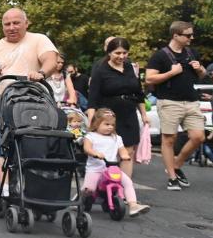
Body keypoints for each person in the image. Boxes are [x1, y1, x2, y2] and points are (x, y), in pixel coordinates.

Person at [0, 8, 59, 197]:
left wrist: (41, 73)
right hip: (2, 106)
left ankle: (37, 186)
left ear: (26, 23)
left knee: (36, 147)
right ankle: (6, 189)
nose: (11, 27)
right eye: (7, 24)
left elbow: (51, 60)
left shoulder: (39, 39)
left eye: (16, 23)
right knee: (2, 148)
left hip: (35, 104)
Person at [145, 21, 207, 190]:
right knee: (169, 139)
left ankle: (176, 165)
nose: (191, 38)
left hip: (191, 101)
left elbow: (201, 76)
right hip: (169, 101)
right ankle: (172, 177)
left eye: (192, 34)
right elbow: (149, 79)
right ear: (176, 35)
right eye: (188, 35)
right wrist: (171, 73)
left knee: (198, 137)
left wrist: (200, 69)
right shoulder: (160, 56)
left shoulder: (192, 53)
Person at [87, 37, 149, 179]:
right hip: (109, 115)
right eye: (117, 53)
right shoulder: (100, 70)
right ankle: (107, 183)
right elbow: (93, 98)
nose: (121, 56)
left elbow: (139, 93)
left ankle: (125, 188)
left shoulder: (131, 68)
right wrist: (92, 120)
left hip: (129, 113)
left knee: (128, 152)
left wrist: (144, 114)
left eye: (124, 53)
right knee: (110, 151)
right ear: (109, 52)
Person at [82, 108, 150, 216]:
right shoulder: (91, 136)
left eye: (112, 125)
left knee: (127, 182)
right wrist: (94, 153)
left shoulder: (117, 138)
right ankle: (79, 201)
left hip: (111, 169)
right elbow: (87, 148)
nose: (110, 127)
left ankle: (133, 205)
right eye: (106, 124)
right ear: (96, 124)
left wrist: (124, 155)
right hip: (95, 169)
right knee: (89, 189)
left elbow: (122, 149)